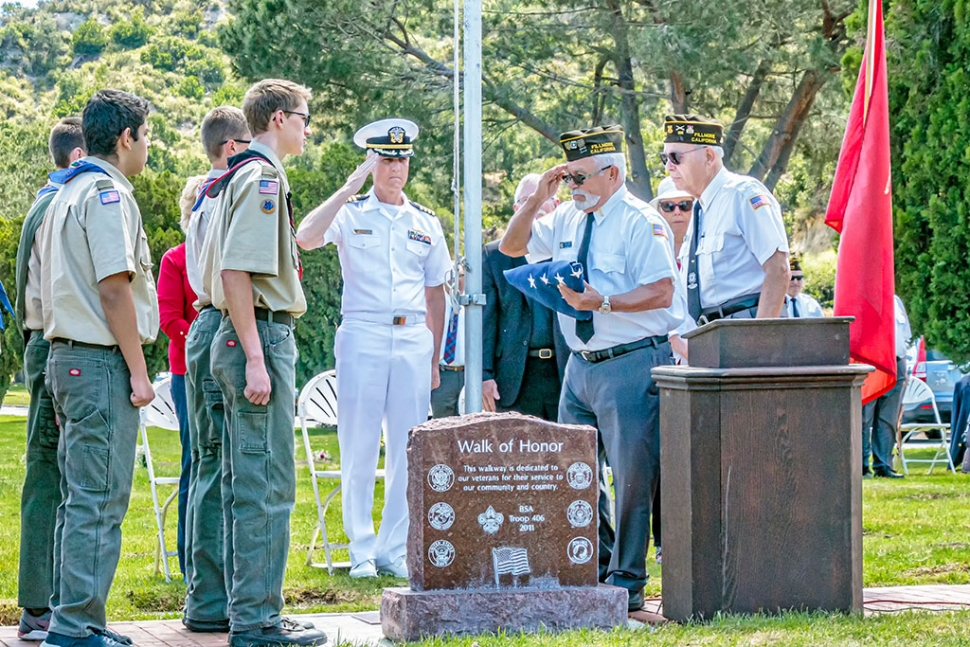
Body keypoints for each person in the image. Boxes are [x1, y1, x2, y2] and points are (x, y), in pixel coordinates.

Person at [500, 125, 685, 612]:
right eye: (568, 176)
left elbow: (662, 290)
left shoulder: (640, 221)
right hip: (580, 367)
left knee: (630, 476)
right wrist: (536, 197)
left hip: (631, 360)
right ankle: (595, 561)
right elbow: (511, 249)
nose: (573, 185)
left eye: (580, 176)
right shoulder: (566, 218)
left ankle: (628, 577)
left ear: (613, 173)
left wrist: (601, 302)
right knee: (573, 472)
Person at [201, 79, 327, 647]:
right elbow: (236, 272)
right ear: (278, 118)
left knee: (243, 480)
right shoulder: (261, 177)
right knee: (266, 484)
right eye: (303, 117)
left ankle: (248, 611)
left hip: (244, 334)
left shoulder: (241, 174)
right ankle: (257, 622)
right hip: (259, 336)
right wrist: (256, 357)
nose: (307, 127)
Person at [296, 118, 449, 580]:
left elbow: (436, 290)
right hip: (363, 332)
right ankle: (360, 547)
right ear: (372, 162)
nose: (395, 168)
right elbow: (305, 236)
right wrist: (348, 188)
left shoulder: (424, 221)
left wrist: (435, 357)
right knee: (359, 443)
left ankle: (394, 548)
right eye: (386, 159)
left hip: (412, 336)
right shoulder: (352, 213)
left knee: (409, 446)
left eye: (401, 159)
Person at [40, 89, 158, 647]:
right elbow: (115, 290)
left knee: (79, 495)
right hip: (99, 360)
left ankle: (73, 618)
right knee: (100, 498)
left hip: (68, 358)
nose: (148, 147)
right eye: (147, 135)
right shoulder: (108, 194)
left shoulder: (66, 191)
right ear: (127, 137)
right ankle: (77, 627)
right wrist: (138, 372)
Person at [13, 117, 86, 642]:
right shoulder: (56, 206)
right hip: (52, 343)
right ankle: (39, 604)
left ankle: (47, 601)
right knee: (47, 476)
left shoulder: (47, 201)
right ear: (79, 153)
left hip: (42, 343)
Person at [181, 106, 251, 634]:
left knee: (207, 466)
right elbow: (236, 270)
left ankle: (205, 596)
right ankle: (232, 598)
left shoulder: (203, 193)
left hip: (204, 324)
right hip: (225, 321)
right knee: (234, 467)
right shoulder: (233, 189)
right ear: (233, 147)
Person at [661, 114, 789, 324]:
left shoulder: (742, 194)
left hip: (746, 323)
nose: (668, 167)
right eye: (664, 159)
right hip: (710, 332)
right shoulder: (699, 211)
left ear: (709, 156)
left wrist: (760, 339)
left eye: (675, 157)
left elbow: (778, 269)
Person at [482, 174, 568, 419]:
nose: (536, 207)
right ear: (516, 208)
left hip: (563, 372)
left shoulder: (568, 249)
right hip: (513, 377)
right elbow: (487, 321)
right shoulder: (494, 256)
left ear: (557, 205)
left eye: (543, 200)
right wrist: (484, 375)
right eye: (528, 201)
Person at [156, 241, 198, 579]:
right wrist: (206, 342)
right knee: (195, 462)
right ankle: (189, 560)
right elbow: (169, 318)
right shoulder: (176, 259)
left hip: (229, 371)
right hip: (189, 373)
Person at [861, 294, 911, 479]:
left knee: (887, 419)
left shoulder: (896, 300)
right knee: (864, 417)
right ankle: (862, 466)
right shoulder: (866, 295)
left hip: (896, 362)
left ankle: (883, 465)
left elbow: (904, 335)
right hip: (873, 361)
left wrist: (903, 365)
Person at [430, 273, 464, 418]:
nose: (455, 279)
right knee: (441, 427)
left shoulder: (473, 303)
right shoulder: (436, 304)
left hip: (468, 375)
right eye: (450, 275)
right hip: (443, 374)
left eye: (460, 275)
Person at [650, 187, 693, 259]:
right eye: (668, 206)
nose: (677, 212)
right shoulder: (650, 249)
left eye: (685, 205)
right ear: (659, 211)